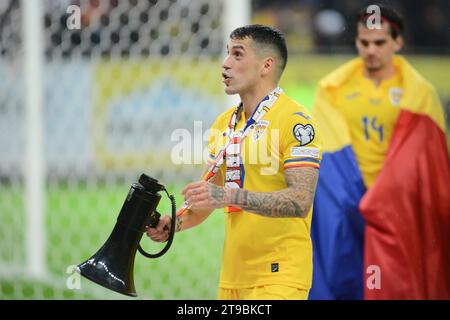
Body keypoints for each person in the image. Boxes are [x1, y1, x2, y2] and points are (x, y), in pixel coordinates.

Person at [147, 24, 323, 300]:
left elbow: (300, 201)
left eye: (237, 55)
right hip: (232, 279)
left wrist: (228, 196)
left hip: (280, 277)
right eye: (227, 54)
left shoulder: (295, 121)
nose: (225, 64)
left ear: (266, 65)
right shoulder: (224, 124)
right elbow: (208, 200)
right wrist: (173, 224)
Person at [310, 4, 450, 300]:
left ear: (397, 42)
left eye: (379, 43)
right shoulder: (333, 88)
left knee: (393, 285)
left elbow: (428, 158)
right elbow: (324, 151)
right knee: (346, 279)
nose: (371, 50)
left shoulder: (418, 93)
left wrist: (393, 192)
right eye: (364, 42)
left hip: (396, 208)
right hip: (347, 203)